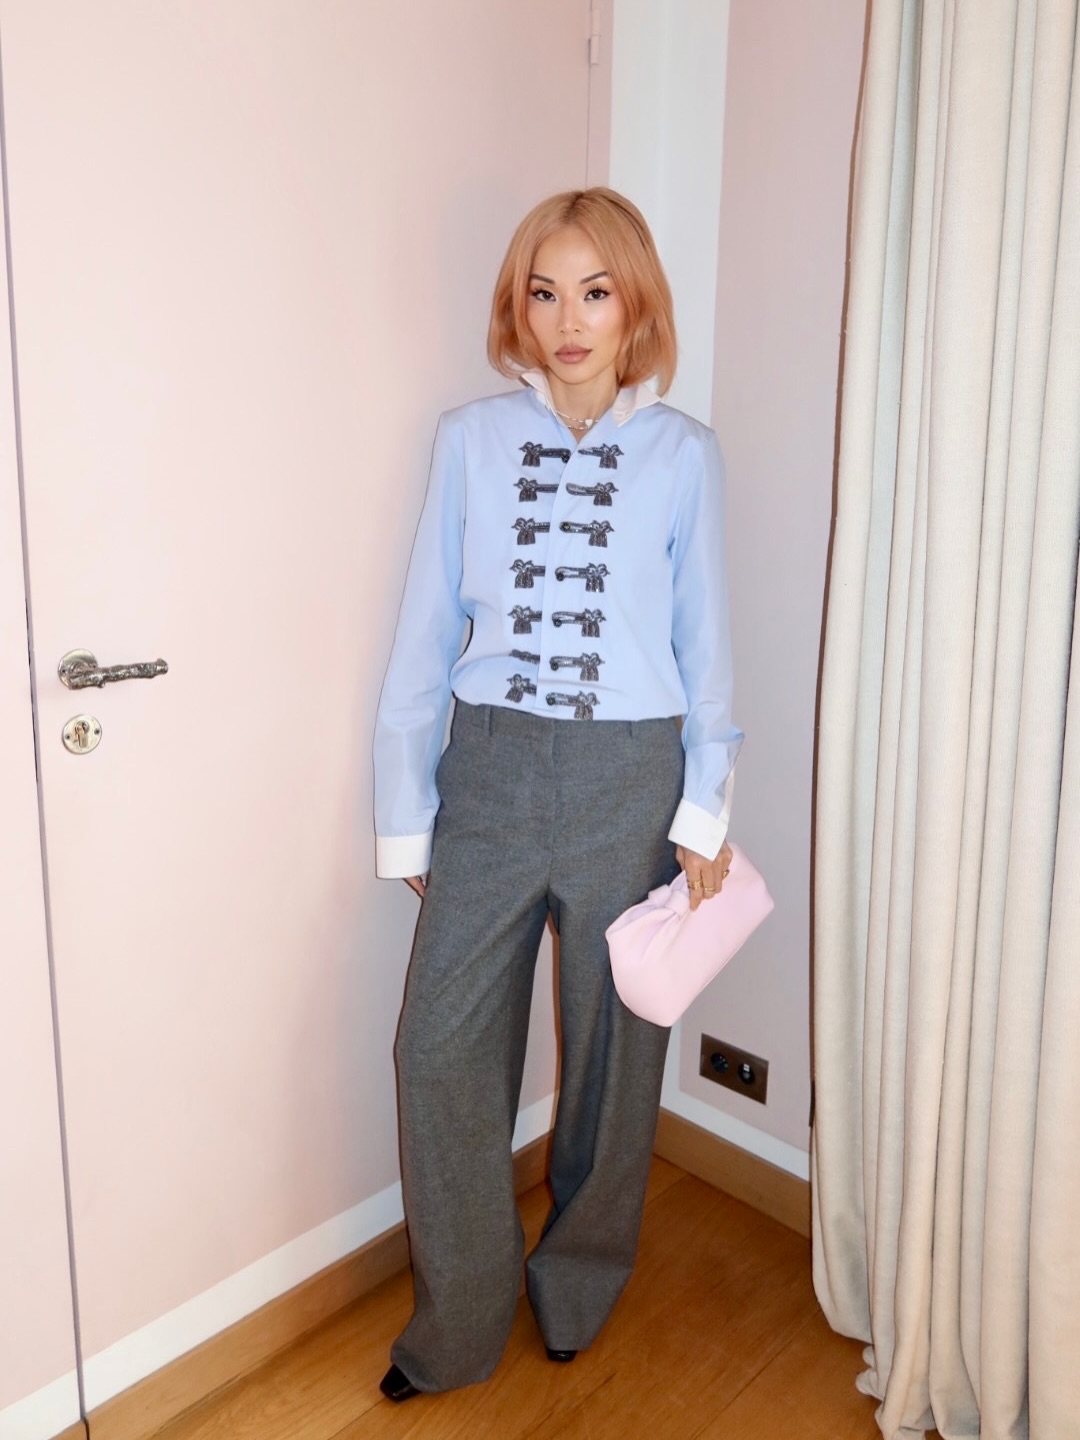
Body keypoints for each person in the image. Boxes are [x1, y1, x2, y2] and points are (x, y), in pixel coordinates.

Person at [372, 187, 743, 1401]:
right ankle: (459, 1321)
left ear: (634, 304)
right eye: (544, 291)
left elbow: (707, 646)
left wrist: (704, 810)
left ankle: (578, 1281)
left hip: (631, 773)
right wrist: (405, 808)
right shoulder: (469, 439)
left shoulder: (686, 456)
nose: (568, 319)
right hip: (487, 766)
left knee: (616, 1055)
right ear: (517, 308)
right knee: (437, 1048)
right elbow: (426, 633)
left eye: (594, 290)